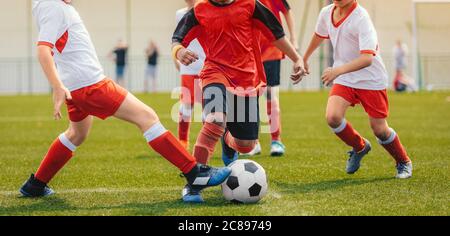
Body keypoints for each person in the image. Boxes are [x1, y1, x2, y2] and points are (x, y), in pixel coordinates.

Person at [20, 0, 231, 199]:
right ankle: (195, 173)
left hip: (77, 86)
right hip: (91, 85)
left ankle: (36, 185)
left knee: (76, 134)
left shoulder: (52, 5)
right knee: (147, 117)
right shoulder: (53, 6)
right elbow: (43, 49)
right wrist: (56, 86)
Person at [172, 0, 305, 203]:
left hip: (246, 81)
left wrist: (297, 58)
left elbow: (276, 35)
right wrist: (179, 52)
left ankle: (227, 139)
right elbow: (177, 39)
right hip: (214, 73)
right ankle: (193, 184)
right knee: (215, 119)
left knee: (246, 145)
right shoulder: (199, 11)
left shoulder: (251, 5)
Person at [303, 0, 413, 179]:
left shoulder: (361, 18)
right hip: (346, 77)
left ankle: (403, 161)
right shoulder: (326, 13)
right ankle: (360, 147)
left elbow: (367, 59)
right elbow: (319, 34)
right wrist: (305, 58)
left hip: (371, 79)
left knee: (380, 129)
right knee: (333, 117)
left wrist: (336, 71)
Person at [242, 0, 298, 157]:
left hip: (272, 50)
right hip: (249, 51)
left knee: (270, 95)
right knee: (250, 97)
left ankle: (276, 140)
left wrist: (293, 39)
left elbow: (287, 11)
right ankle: (254, 142)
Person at [174, 0, 206, 149]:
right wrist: (176, 58)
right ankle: (182, 141)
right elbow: (177, 38)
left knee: (209, 108)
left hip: (206, 64)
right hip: (188, 67)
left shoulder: (206, 10)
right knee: (186, 106)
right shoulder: (180, 14)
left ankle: (206, 143)